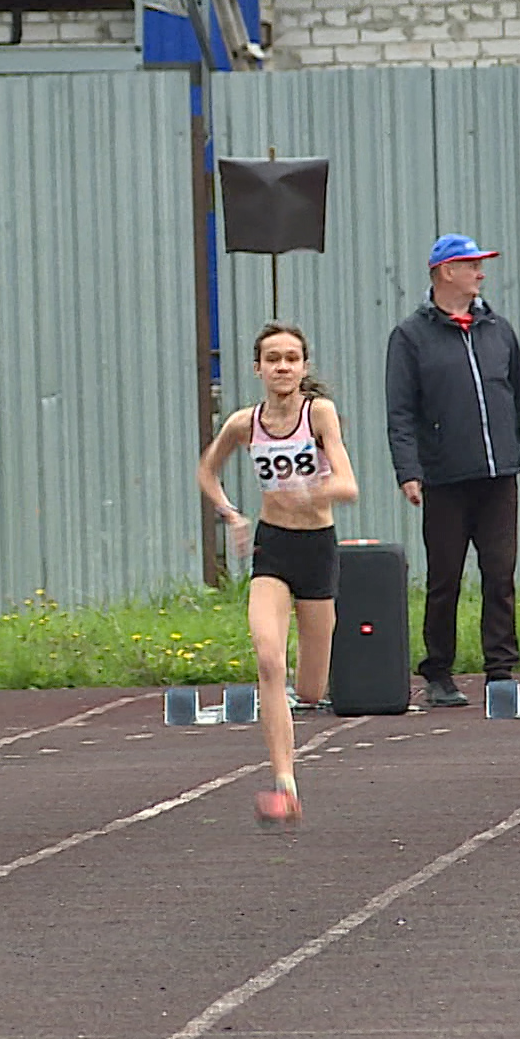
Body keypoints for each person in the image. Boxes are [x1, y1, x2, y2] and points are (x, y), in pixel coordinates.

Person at [196, 322, 359, 828]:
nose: (283, 367)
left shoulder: (320, 414)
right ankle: (285, 781)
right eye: (273, 359)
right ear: (258, 368)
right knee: (268, 657)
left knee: (310, 689)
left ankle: (298, 720)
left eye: (292, 358)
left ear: (304, 367)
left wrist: (315, 492)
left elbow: (349, 485)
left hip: (317, 549)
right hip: (273, 547)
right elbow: (207, 470)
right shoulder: (246, 424)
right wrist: (232, 513)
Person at [385, 234, 520, 708]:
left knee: (500, 572)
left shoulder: (498, 329)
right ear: (445, 271)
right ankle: (438, 671)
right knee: (445, 577)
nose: (481, 273)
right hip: (443, 479)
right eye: (472, 265)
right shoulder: (410, 337)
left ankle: (500, 670)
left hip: (499, 474)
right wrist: (409, 470)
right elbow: (400, 412)